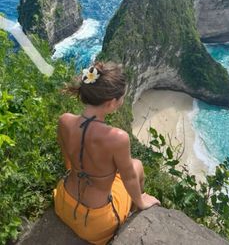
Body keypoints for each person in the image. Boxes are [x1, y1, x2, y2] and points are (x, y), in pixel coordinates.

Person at [53, 61, 160, 245]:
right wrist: (142, 201)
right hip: (95, 223)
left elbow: (68, 162)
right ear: (111, 103)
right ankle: (136, 208)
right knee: (137, 166)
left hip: (63, 204)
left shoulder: (64, 121)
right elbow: (129, 178)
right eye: (122, 98)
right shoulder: (117, 138)